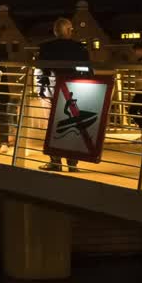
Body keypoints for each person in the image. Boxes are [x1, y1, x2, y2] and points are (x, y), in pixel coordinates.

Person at [35, 18, 90, 172]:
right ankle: (72, 163)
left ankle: (55, 162)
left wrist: (41, 91)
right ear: (70, 30)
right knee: (73, 127)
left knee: (52, 128)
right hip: (74, 92)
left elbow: (41, 71)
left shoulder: (46, 48)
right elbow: (88, 71)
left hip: (52, 92)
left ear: (55, 31)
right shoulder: (80, 48)